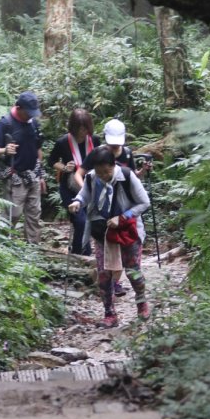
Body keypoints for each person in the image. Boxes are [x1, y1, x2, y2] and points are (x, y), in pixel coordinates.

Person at [69, 145, 151, 328]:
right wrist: (77, 202)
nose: (102, 176)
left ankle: (141, 303)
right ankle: (109, 314)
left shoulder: (127, 176)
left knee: (133, 272)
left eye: (106, 172)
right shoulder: (91, 177)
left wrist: (123, 217)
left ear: (113, 166)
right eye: (99, 172)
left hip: (128, 231)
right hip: (103, 232)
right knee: (104, 275)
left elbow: (144, 202)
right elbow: (84, 195)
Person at [80, 118, 153, 296]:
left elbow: (132, 180)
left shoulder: (127, 154)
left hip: (125, 220)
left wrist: (142, 173)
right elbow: (85, 175)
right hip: (102, 221)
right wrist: (82, 198)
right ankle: (110, 300)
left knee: (131, 266)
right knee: (105, 268)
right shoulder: (97, 157)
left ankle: (134, 295)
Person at [0, 91, 46, 244]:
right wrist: (5, 150)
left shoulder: (33, 123)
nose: (30, 115)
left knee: (34, 214)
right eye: (28, 112)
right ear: (18, 108)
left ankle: (32, 250)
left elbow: (38, 148)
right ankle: (1, 245)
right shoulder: (5, 124)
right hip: (14, 175)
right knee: (12, 214)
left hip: (32, 174)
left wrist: (40, 174)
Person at [47, 108, 101, 256]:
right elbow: (51, 161)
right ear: (73, 127)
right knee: (80, 221)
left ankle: (83, 252)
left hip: (91, 186)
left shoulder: (95, 140)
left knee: (89, 220)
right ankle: (80, 253)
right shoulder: (63, 142)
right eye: (79, 128)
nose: (82, 131)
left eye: (85, 128)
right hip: (70, 187)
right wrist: (64, 167)